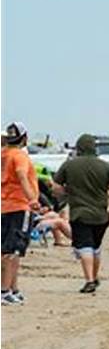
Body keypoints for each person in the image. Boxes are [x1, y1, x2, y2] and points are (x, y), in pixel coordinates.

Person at [53, 134, 109, 293]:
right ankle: (94, 278)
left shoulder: (69, 165)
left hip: (79, 213)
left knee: (85, 247)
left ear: (79, 148)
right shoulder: (106, 167)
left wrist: (67, 194)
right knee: (95, 247)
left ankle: (89, 280)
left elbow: (55, 186)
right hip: (100, 215)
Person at [1, 122, 40, 305]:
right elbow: (22, 175)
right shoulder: (20, 156)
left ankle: (13, 288)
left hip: (5, 205)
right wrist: (32, 199)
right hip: (18, 206)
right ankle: (4, 290)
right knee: (13, 250)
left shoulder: (3, 155)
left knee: (7, 249)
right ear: (24, 138)